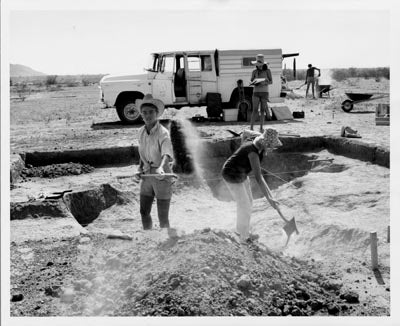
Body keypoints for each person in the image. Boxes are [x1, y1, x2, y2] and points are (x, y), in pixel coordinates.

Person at [221, 128, 282, 242]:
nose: (273, 149)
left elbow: (244, 132)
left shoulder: (258, 136)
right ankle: (242, 236)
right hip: (231, 174)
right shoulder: (253, 154)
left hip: (242, 173)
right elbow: (259, 178)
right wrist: (270, 199)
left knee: (249, 202)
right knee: (244, 205)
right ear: (266, 143)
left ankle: (243, 231)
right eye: (271, 146)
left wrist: (241, 145)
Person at [135, 94, 174, 230]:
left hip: (161, 175)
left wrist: (161, 168)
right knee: (144, 212)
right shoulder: (140, 132)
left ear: (157, 114)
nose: (148, 115)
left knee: (163, 217)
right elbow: (142, 153)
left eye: (151, 112)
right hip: (147, 175)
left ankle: (166, 244)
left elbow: (167, 153)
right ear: (141, 115)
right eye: (144, 112)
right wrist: (139, 169)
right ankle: (148, 238)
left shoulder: (163, 133)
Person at [250, 54, 273, 132]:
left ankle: (261, 127)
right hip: (256, 92)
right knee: (254, 110)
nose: (258, 66)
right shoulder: (254, 71)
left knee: (263, 110)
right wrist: (253, 82)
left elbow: (271, 81)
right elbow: (251, 80)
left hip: (264, 92)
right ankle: (251, 127)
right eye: (257, 65)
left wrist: (265, 83)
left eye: (260, 65)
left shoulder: (268, 71)